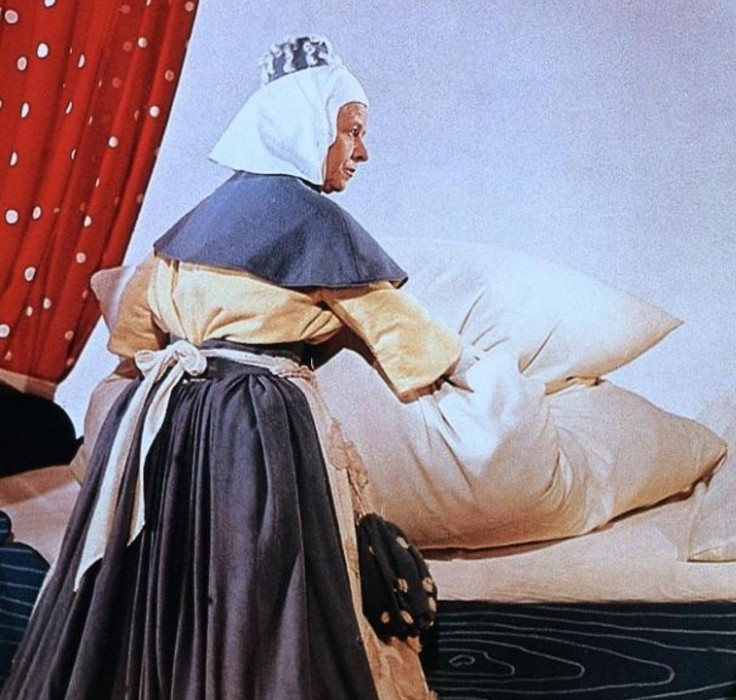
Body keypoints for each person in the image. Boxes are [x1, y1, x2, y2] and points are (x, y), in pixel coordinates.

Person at [3, 36, 464, 699]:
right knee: (262, 582)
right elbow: (411, 342)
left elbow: (134, 334)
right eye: (352, 131)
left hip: (169, 425)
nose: (361, 152)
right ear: (308, 128)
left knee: (169, 582)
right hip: (258, 430)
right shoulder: (320, 229)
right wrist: (474, 371)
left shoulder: (193, 228)